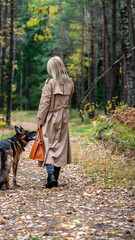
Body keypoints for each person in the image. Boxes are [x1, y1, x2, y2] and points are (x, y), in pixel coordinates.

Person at [36, 56, 74, 188]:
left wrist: (40, 120)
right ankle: (55, 179)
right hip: (63, 117)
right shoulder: (70, 82)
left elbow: (44, 103)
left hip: (51, 117)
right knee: (60, 146)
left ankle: (51, 175)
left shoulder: (50, 83)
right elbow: (69, 98)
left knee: (48, 145)